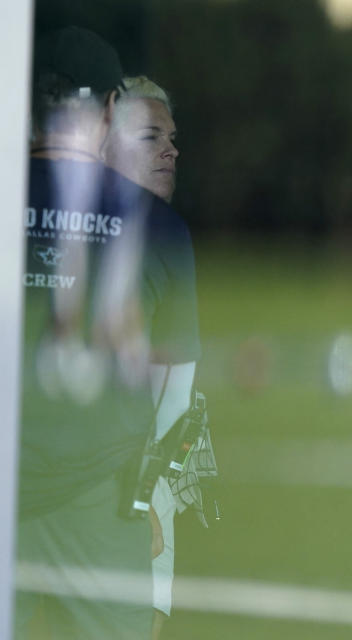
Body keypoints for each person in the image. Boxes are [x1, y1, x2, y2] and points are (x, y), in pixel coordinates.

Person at [17, 27, 200, 639]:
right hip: (101, 501)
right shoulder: (157, 224)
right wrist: (148, 500)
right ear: (109, 109)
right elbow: (174, 388)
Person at [101, 75, 196, 639]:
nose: (171, 149)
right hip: (123, 473)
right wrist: (150, 498)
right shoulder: (165, 234)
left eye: (173, 136)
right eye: (150, 136)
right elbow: (176, 390)